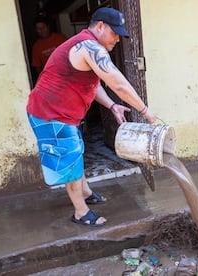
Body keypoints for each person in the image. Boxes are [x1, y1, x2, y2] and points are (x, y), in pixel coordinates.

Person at [26, 7, 157, 226]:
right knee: (69, 160)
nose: (117, 39)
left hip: (65, 114)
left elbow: (92, 85)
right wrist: (145, 110)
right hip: (50, 115)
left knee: (76, 150)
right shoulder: (89, 47)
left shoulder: (86, 47)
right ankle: (80, 212)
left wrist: (112, 105)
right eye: (114, 33)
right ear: (100, 26)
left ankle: (85, 192)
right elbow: (118, 83)